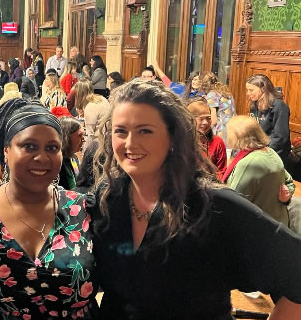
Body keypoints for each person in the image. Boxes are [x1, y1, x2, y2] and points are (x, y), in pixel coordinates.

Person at [90, 79, 301, 319]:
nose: (129, 143)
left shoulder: (214, 205)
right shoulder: (108, 197)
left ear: (172, 138)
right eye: (120, 131)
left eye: (145, 131)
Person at [0, 99, 97, 319]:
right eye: (29, 146)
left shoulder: (83, 208)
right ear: (6, 150)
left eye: (52, 148)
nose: (42, 157)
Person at [224, 116, 294, 226]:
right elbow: (289, 182)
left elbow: (234, 202)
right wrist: (286, 197)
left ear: (237, 136)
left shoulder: (249, 163)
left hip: (258, 227)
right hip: (278, 223)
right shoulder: (270, 152)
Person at [246, 74, 291, 166]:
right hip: (258, 152)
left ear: (263, 89)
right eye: (247, 90)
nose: (248, 93)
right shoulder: (255, 104)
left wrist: (264, 152)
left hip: (273, 156)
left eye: (251, 90)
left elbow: (281, 137)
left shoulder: (279, 106)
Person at [187, 98, 226, 178]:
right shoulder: (182, 141)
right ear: (190, 119)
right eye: (201, 119)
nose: (205, 122)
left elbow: (221, 172)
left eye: (208, 118)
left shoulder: (218, 142)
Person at [76, 79, 110, 144]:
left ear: (79, 94)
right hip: (107, 138)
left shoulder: (90, 106)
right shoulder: (102, 98)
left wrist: (85, 153)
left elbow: (89, 136)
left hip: (99, 142)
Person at [58, 116, 85, 189]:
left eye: (84, 135)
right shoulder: (57, 163)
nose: (83, 139)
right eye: (80, 135)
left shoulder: (74, 157)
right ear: (66, 137)